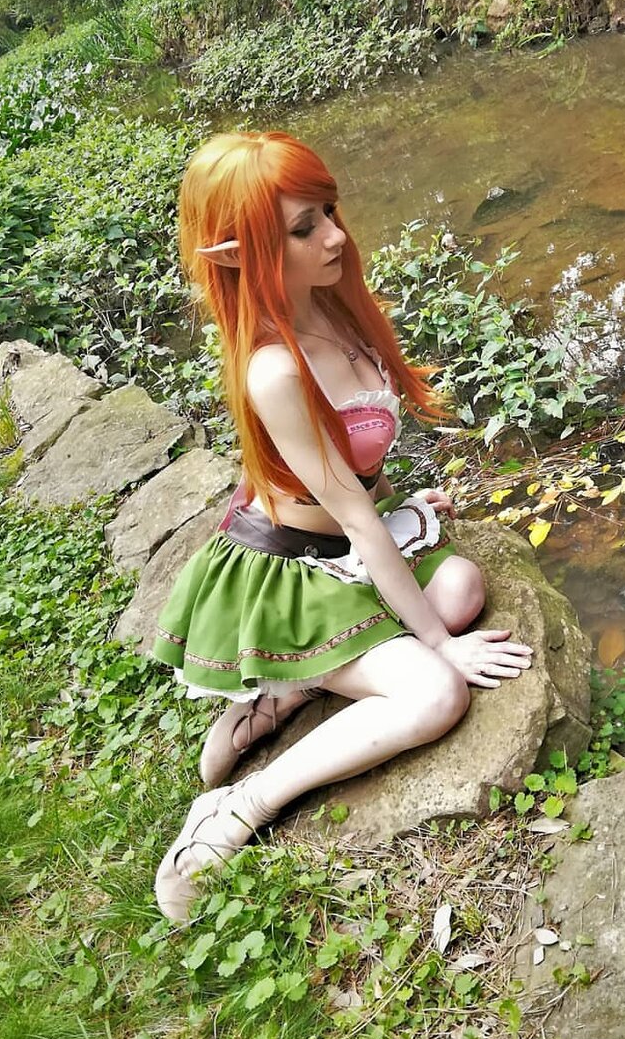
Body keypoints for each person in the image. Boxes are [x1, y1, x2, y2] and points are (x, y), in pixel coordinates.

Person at [151, 131, 533, 922]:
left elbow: (360, 473)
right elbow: (353, 520)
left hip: (347, 542)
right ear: (238, 256)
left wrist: (406, 506)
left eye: (328, 212)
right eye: (303, 228)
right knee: (436, 693)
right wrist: (439, 647)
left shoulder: (329, 302)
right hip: (293, 567)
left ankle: (291, 689)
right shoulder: (273, 368)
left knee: (461, 586)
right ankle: (239, 806)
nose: (334, 236)